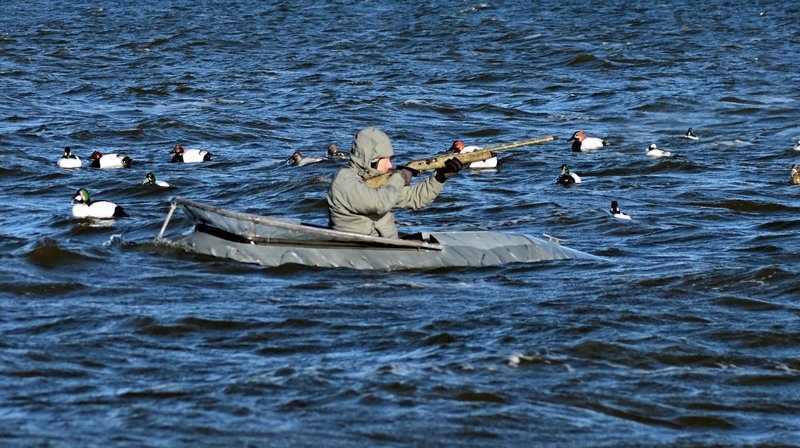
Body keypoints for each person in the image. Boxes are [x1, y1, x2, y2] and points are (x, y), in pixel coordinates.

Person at [327, 126, 462, 238]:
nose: (390, 165)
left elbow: (416, 198)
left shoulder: (380, 182)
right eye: (386, 160)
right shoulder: (343, 181)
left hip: (387, 247)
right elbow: (380, 203)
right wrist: (400, 177)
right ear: (372, 160)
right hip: (357, 249)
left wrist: (440, 177)